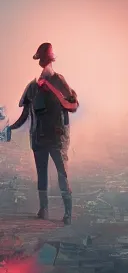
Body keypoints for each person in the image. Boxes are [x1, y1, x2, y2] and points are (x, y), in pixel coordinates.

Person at [9, 42, 79, 224]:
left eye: (44, 59)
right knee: (42, 174)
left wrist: (52, 88)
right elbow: (25, 115)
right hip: (39, 138)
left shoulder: (59, 81)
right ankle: (44, 209)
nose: (42, 63)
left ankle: (68, 213)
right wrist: (9, 128)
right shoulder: (32, 87)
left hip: (56, 138)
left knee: (62, 174)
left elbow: (72, 105)